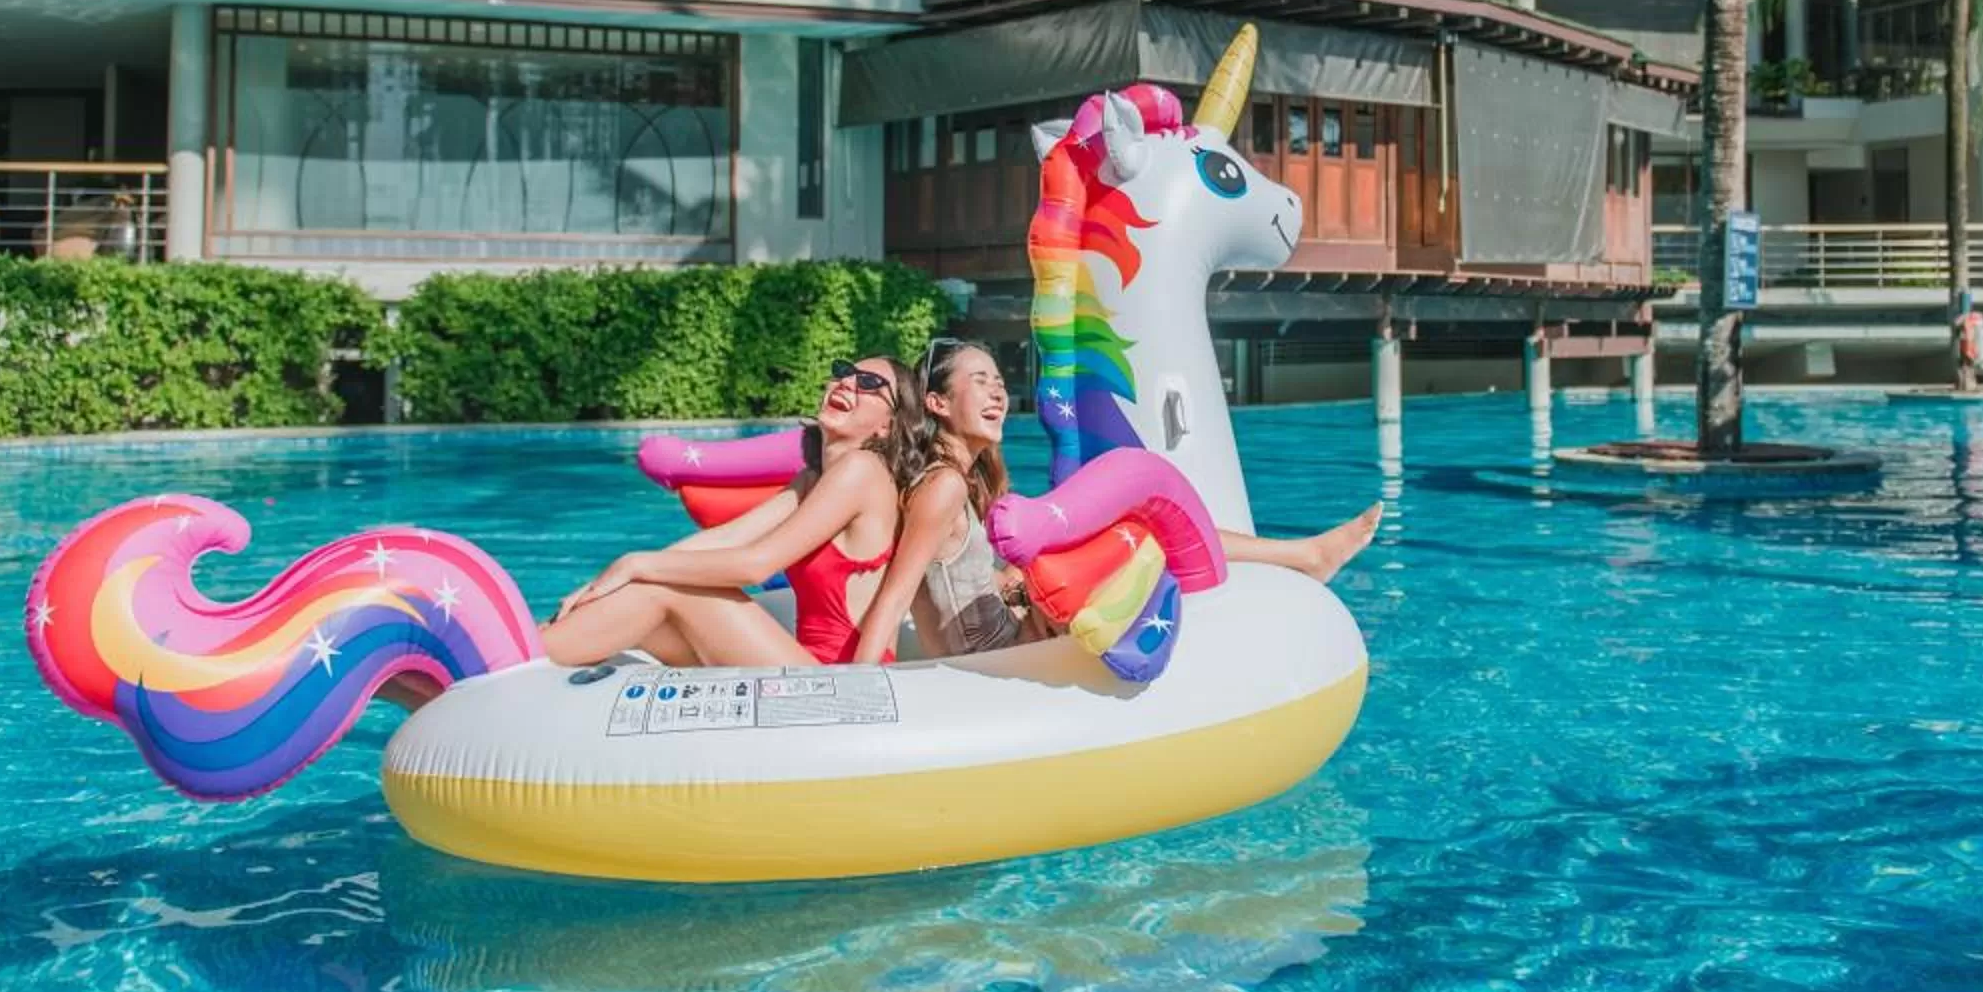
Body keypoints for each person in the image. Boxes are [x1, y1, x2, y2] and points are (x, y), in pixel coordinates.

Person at [854, 338, 1385, 665]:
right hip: (1003, 657)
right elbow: (897, 598)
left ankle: (1304, 557)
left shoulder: (958, 481)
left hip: (1010, 632)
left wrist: (1011, 584)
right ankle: (1305, 557)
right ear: (937, 402)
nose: (997, 392)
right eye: (979, 381)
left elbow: (953, 582)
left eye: (999, 382)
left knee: (1134, 534)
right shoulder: (943, 485)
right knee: (1143, 522)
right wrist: (861, 692)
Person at [542, 356, 929, 669]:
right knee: (644, 594)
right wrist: (603, 582)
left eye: (870, 385)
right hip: (802, 664)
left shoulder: (863, 470)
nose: (847, 383)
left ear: (888, 426)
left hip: (832, 682)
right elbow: (726, 539)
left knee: (662, 588)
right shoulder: (811, 480)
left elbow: (755, 566)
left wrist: (635, 563)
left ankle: (519, 660)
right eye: (845, 372)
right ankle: (532, 650)